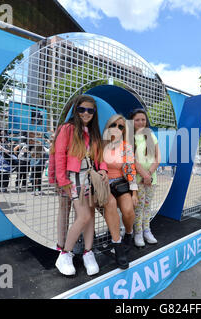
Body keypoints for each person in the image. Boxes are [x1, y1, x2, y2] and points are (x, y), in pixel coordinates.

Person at [50, 95, 114, 276]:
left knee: (90, 215)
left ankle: (88, 252)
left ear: (94, 113)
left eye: (90, 110)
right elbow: (59, 155)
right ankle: (65, 254)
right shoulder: (67, 128)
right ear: (75, 110)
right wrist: (61, 180)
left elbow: (100, 156)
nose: (86, 113)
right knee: (84, 216)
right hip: (73, 178)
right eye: (82, 109)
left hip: (90, 177)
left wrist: (103, 170)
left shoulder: (93, 132)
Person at [102, 114, 138, 265]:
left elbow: (131, 170)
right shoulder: (100, 145)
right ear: (108, 126)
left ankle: (128, 234)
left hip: (120, 183)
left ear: (123, 130)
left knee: (128, 211)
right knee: (110, 205)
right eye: (113, 125)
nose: (116, 129)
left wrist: (134, 192)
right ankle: (118, 246)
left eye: (120, 126)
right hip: (103, 185)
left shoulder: (126, 147)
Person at [129, 109, 161, 247]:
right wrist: (144, 175)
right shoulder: (130, 137)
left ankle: (147, 230)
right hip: (138, 179)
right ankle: (138, 232)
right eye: (137, 120)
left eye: (143, 119)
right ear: (132, 122)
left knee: (147, 206)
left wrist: (150, 174)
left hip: (151, 179)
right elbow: (132, 160)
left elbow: (157, 157)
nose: (141, 122)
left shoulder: (151, 135)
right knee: (139, 206)